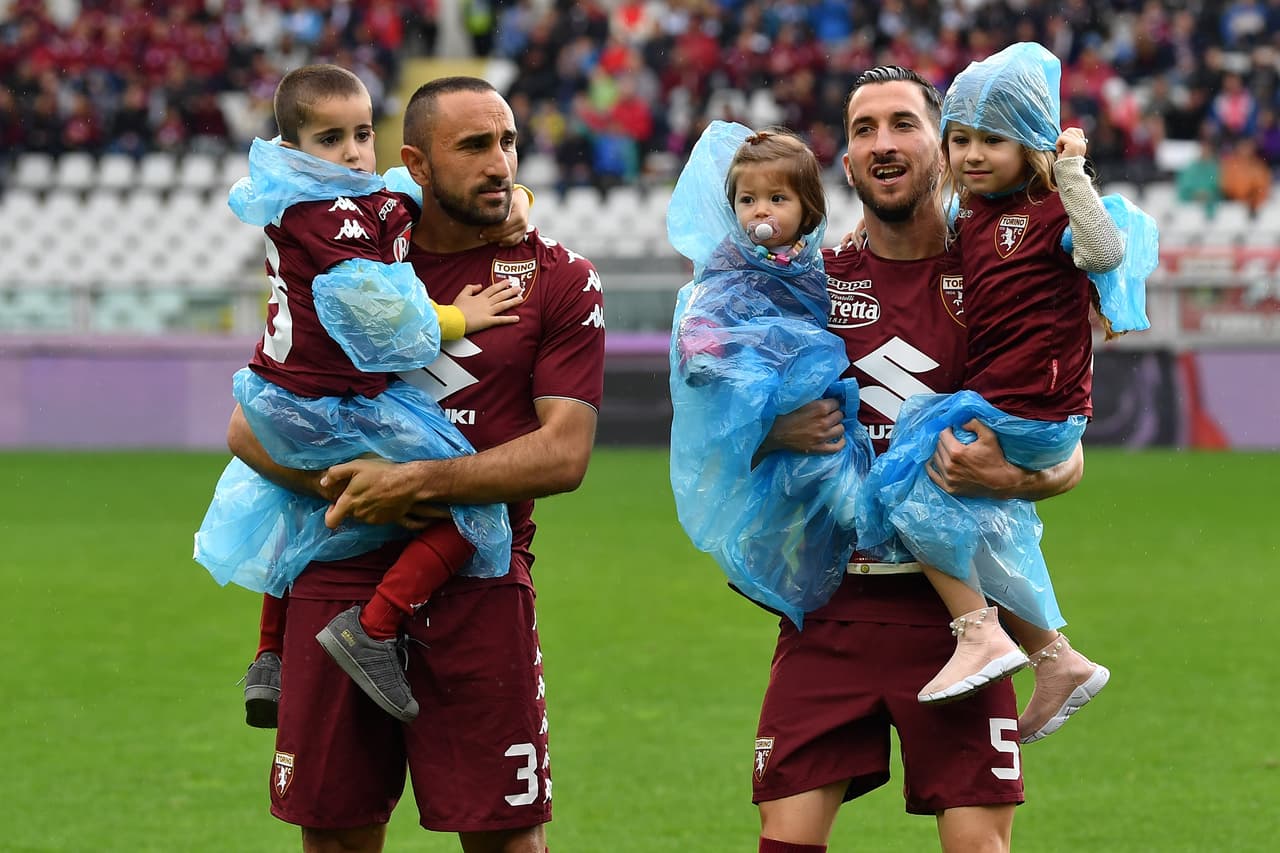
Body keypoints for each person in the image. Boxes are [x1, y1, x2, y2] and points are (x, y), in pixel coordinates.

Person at [226, 75, 604, 853]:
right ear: (415, 166)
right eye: (473, 146)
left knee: (506, 837)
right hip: (334, 579)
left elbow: (564, 454)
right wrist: (356, 494)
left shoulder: (559, 276)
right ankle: (273, 648)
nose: (500, 163)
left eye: (507, 143)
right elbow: (247, 428)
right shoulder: (361, 258)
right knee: (335, 834)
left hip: (480, 589)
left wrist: (412, 485)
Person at [750, 66, 1085, 853]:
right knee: (785, 835)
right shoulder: (811, 283)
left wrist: (1012, 476)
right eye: (864, 129)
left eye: (903, 123)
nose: (882, 142)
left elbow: (1067, 454)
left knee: (978, 844)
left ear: (943, 145)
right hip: (830, 601)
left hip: (962, 619)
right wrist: (774, 433)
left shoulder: (1005, 272)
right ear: (847, 158)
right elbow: (725, 436)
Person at [193, 64, 531, 727]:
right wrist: (460, 316)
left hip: (285, 392)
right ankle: (373, 628)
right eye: (331, 138)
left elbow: (409, 191)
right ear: (294, 150)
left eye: (362, 132)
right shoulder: (330, 212)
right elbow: (383, 323)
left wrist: (515, 200)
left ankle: (269, 653)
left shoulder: (333, 194)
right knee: (470, 500)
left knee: (299, 511)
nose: (352, 152)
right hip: (327, 401)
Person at [853, 42, 1155, 726]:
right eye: (960, 139)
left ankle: (979, 631)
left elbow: (1107, 253)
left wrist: (1071, 173)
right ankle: (1055, 658)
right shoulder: (975, 218)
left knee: (905, 480)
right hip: (1005, 402)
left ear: (1032, 145)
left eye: (994, 139)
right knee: (976, 514)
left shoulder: (1054, 213)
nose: (972, 154)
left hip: (1034, 407)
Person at [667, 121, 873, 628]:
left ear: (808, 210)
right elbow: (706, 317)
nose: (761, 211)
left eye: (777, 198)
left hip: (817, 402)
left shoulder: (815, 265)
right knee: (783, 494)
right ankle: (767, 567)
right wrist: (706, 355)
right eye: (748, 199)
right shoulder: (729, 264)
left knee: (823, 478)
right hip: (765, 398)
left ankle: (833, 544)